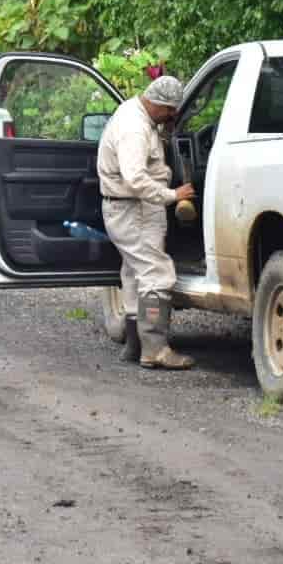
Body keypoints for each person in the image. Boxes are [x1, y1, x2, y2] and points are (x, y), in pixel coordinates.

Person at [96, 75, 197, 370]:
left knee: (133, 272)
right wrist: (171, 194)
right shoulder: (135, 129)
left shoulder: (135, 114)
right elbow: (135, 178)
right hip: (134, 209)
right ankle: (155, 349)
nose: (171, 118)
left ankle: (134, 344)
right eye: (170, 111)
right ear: (158, 103)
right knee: (156, 273)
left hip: (126, 208)